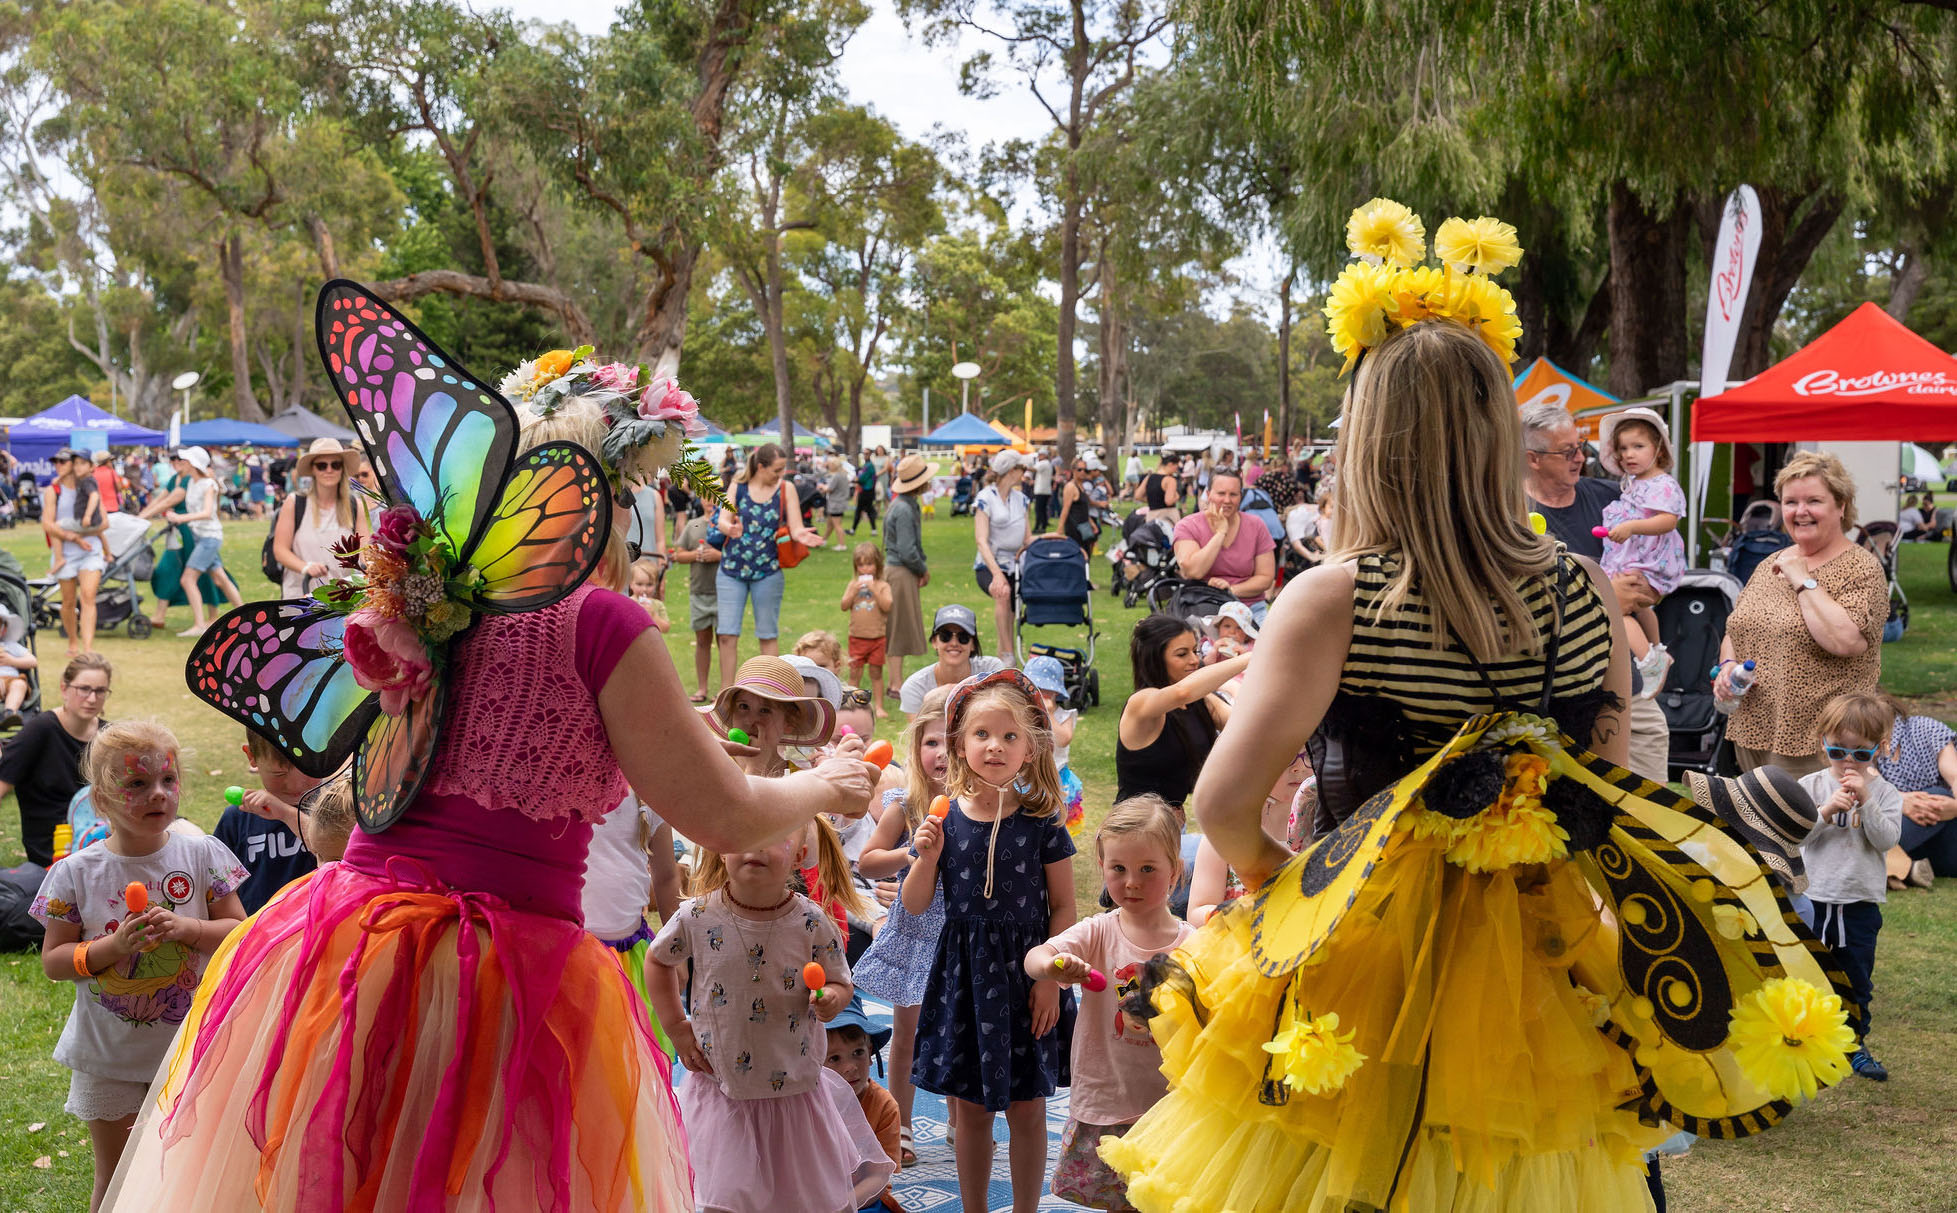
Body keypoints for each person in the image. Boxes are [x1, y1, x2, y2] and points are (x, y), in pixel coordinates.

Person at [1103, 218, 1851, 1212]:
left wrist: (1268, 879)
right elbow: (1603, 781)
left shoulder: (1339, 596)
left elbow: (1224, 797)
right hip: (1545, 968)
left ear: (1370, 436)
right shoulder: (1586, 587)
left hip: (1357, 964)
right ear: (1501, 436)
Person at [103, 330, 878, 1210]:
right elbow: (727, 814)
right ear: (614, 499)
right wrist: (832, 783)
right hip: (495, 970)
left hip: (351, 946)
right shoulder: (601, 624)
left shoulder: (424, 598)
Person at [30, 721, 248, 1212]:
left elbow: (240, 930)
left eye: (167, 781)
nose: (158, 794)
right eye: (137, 784)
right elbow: (54, 961)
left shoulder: (201, 854)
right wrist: (113, 948)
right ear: (101, 800)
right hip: (111, 1055)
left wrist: (189, 929)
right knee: (118, 1174)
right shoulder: (76, 873)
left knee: (181, 1171)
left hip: (189, 1047)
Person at [648, 831, 894, 1213]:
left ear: (800, 855)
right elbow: (658, 959)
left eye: (772, 837)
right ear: (721, 847)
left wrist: (832, 998)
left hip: (792, 1090)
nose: (754, 845)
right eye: (744, 831)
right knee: (723, 1198)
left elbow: (840, 980)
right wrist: (676, 1027)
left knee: (797, 1196)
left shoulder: (811, 920)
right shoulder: (696, 915)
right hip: (722, 1087)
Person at [904, 670, 1076, 1213]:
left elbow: (1066, 907)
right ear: (959, 743)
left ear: (1030, 746)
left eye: (1009, 736)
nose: (995, 747)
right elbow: (913, 905)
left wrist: (1048, 978)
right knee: (971, 1111)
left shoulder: (1044, 821)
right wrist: (926, 857)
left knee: (1028, 1109)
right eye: (982, 735)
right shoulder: (944, 818)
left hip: (1029, 978)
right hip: (965, 981)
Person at [1027, 794, 1193, 1213]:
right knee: (1118, 1203)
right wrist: (1055, 965)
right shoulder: (1098, 932)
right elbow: (1035, 958)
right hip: (1107, 1099)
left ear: (1176, 871)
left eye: (1147, 869)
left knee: (1167, 1201)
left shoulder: (1195, 945)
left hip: (1172, 1105)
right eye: (1118, 869)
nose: (1131, 881)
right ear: (1101, 868)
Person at [1520, 401, 1672, 785]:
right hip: (1559, 700)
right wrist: (1605, 596)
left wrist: (1645, 590)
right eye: (1567, 450)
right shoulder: (1512, 516)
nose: (1580, 457)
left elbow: (1657, 566)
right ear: (1532, 459)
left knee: (1651, 807)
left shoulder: (1613, 498)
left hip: (1631, 692)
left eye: (1581, 445)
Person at [1716, 451, 1888, 774]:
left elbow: (1845, 641)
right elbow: (1737, 628)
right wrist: (1727, 667)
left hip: (1823, 744)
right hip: (1754, 732)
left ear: (1841, 506)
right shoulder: (1770, 562)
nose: (1801, 511)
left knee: (1812, 825)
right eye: (1791, 502)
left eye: (1814, 501)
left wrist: (1803, 580)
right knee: (1756, 823)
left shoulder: (1861, 568)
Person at [851, 686, 952, 1168]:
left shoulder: (981, 806)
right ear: (917, 750)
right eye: (932, 744)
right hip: (914, 929)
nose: (941, 754)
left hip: (958, 935)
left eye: (952, 744)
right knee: (907, 1030)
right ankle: (903, 1125)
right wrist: (908, 853)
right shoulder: (905, 802)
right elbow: (867, 861)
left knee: (956, 1029)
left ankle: (960, 1117)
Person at [1796, 691, 1902, 1082]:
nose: (1848, 763)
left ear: (1879, 748)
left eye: (1860, 754)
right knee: (1807, 973)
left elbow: (1886, 839)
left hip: (1858, 902)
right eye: (1838, 751)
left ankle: (1855, 1043)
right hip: (1812, 898)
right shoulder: (1810, 786)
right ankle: (1805, 1041)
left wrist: (1867, 802)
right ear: (1822, 743)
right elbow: (1796, 836)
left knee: (1856, 978)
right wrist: (1826, 812)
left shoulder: (1886, 794)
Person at [1114, 613, 1246, 819]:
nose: (1194, 660)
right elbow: (1181, 692)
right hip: (1134, 828)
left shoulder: (1202, 703)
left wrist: (1233, 687)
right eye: (1182, 654)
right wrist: (1250, 657)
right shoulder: (1141, 703)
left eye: (1195, 651)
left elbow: (1245, 723)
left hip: (1172, 828)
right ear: (1155, 658)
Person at [716, 443, 823, 689]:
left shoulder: (787, 489)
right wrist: (729, 528)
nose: (780, 473)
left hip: (768, 572)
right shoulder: (738, 486)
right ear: (761, 467)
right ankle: (725, 691)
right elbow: (723, 519)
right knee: (727, 634)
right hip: (732, 570)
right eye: (776, 469)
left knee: (767, 634)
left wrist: (802, 535)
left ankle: (770, 690)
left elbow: (795, 526)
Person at [1597, 408, 1687, 694]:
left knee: (1617, 610)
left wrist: (1633, 526)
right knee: (1642, 606)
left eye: (1638, 446)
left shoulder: (1663, 485)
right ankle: (1658, 649)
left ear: (1658, 450)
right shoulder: (1634, 484)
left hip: (1650, 562)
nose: (1629, 454)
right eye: (1623, 448)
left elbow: (1668, 521)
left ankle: (1647, 660)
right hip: (1633, 559)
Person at [0, 654, 112, 866]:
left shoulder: (108, 736)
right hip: (54, 847)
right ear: (64, 688)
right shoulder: (41, 730)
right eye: (84, 689)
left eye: (100, 691)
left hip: (103, 836)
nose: (91, 698)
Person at [1186, 750, 1311, 924]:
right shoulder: (1226, 828)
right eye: (1286, 756)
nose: (1299, 767)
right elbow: (1196, 912)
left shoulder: (1321, 825)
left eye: (1308, 755)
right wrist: (1237, 915)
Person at [215, 729, 323, 914]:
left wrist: (286, 814)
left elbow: (334, 852)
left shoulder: (336, 807)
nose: (296, 785)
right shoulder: (237, 818)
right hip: (258, 932)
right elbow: (218, 886)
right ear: (251, 756)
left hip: (315, 928)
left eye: (307, 768)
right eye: (279, 774)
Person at [823, 995, 902, 1205]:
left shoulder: (884, 1106)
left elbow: (879, 1177)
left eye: (858, 1052)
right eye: (834, 1058)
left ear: (871, 1054)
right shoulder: (808, 1103)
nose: (850, 1067)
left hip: (865, 1199)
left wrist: (845, 1206)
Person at [270, 438, 369, 600]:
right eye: (321, 465)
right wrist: (305, 567)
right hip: (300, 596)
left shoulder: (354, 505)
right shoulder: (295, 503)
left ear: (342, 469)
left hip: (341, 598)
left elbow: (364, 551)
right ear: (313, 470)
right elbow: (280, 550)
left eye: (335, 465)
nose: (328, 470)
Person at [162, 447, 244, 636]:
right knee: (220, 578)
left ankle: (200, 625)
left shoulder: (208, 484)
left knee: (188, 579)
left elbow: (207, 513)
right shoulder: (190, 482)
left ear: (193, 464)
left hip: (209, 537)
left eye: (185, 460)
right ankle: (245, 614)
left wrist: (182, 518)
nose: (181, 463)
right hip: (201, 537)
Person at [1172, 472, 1276, 622]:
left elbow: (1265, 577)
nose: (1227, 500)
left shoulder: (1256, 525)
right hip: (1203, 606)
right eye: (1221, 493)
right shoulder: (1188, 525)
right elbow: (1193, 571)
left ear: (1241, 496)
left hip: (1249, 607)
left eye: (1233, 494)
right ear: (1208, 494)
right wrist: (1221, 533)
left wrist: (1230, 590)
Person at [1878, 695, 1957, 881]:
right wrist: (1900, 800)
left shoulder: (1926, 728)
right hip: (1901, 831)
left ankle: (1877, 863)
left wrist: (1955, 808)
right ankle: (1902, 868)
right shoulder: (1858, 743)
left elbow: (1955, 775)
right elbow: (1868, 788)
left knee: (1937, 796)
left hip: (1944, 827)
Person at [43, 448, 108, 655]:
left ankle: (88, 648)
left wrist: (86, 531)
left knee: (88, 596)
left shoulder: (88, 486)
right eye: (56, 462)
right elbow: (47, 524)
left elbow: (105, 522)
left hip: (91, 550)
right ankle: (73, 641)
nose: (58, 466)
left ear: (73, 464)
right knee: (68, 601)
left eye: (63, 462)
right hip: (67, 551)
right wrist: (73, 537)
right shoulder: (54, 490)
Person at [882, 454, 936, 695]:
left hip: (902, 571)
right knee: (897, 628)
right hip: (900, 572)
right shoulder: (903, 509)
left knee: (900, 627)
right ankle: (895, 684)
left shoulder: (906, 504)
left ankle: (896, 681)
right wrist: (921, 568)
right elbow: (906, 550)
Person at [974, 448, 1033, 662]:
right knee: (1002, 593)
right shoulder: (985, 498)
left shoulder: (1021, 499)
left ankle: (1002, 669)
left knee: (1009, 617)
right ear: (1011, 471)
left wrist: (1052, 537)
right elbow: (981, 540)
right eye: (1022, 468)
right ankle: (1009, 657)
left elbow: (1027, 539)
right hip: (989, 565)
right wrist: (996, 574)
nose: (1024, 473)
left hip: (1016, 566)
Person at [897, 604, 1005, 713]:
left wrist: (954, 691)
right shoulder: (915, 687)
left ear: (973, 644)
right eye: (945, 636)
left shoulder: (992, 670)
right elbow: (919, 730)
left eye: (963, 637)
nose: (954, 643)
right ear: (934, 642)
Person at [1024, 654, 1084, 836]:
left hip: (1056, 778)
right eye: (1034, 689)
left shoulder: (1065, 715)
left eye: (1044, 689)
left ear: (1055, 692)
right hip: (1029, 776)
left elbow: (1063, 739)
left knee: (1056, 826)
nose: (1039, 694)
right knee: (1028, 822)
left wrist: (1048, 713)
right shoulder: (1024, 713)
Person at [672, 498, 722, 701]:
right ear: (701, 499)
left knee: (724, 641)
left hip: (724, 593)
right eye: (707, 496)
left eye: (716, 495)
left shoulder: (727, 524)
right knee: (702, 640)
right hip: (699, 591)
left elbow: (740, 554)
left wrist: (718, 556)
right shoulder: (694, 525)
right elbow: (679, 554)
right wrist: (696, 554)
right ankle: (702, 689)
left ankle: (724, 689)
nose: (711, 500)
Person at [841, 542, 894, 715]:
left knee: (876, 673)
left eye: (869, 564)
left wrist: (874, 591)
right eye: (861, 565)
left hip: (877, 638)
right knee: (855, 672)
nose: (865, 569)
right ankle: (851, 704)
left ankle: (878, 706)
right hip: (857, 637)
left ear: (877, 565)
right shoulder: (852, 585)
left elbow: (887, 606)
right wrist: (852, 593)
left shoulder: (882, 585)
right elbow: (843, 605)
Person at [0, 606, 38, 728]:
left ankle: (10, 712)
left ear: (4, 629)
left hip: (12, 680)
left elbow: (32, 661)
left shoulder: (11, 646)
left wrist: (12, 661)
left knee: (20, 685)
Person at [629, 555, 671, 632]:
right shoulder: (627, 603)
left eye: (649, 585)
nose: (644, 589)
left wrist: (653, 615)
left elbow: (666, 629)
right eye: (639, 584)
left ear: (656, 584)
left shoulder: (658, 605)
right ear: (631, 584)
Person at [819, 454, 851, 550]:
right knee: (830, 524)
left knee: (837, 525)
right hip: (839, 502)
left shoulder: (837, 476)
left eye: (830, 464)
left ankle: (842, 545)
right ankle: (823, 541)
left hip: (836, 503)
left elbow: (829, 488)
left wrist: (821, 486)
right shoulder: (843, 475)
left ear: (834, 465)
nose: (828, 466)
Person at [1143, 452, 1182, 524]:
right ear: (1170, 464)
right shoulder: (1170, 480)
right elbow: (1169, 501)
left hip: (1151, 516)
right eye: (1176, 466)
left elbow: (1138, 496)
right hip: (1167, 516)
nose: (1177, 469)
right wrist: (1177, 496)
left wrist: (1153, 500)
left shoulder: (1149, 477)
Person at [850, 447, 881, 535]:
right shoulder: (866, 465)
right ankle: (873, 530)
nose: (865, 455)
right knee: (868, 510)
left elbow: (862, 478)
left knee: (861, 510)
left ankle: (853, 530)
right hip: (866, 490)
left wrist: (854, 480)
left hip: (866, 491)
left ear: (870, 454)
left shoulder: (869, 465)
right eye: (864, 453)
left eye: (867, 453)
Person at [1033, 447, 1056, 532]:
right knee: (1042, 510)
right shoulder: (1047, 463)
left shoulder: (1043, 463)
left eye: (1040, 455)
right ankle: (1043, 526)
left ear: (1044, 455)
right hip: (1045, 490)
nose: (1038, 456)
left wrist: (1023, 467)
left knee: (1039, 510)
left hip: (1041, 490)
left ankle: (1038, 527)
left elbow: (1034, 469)